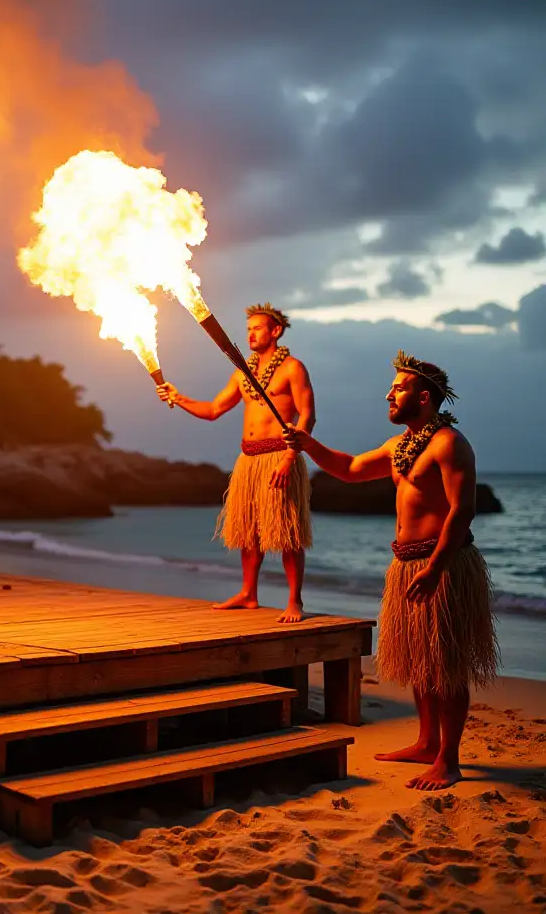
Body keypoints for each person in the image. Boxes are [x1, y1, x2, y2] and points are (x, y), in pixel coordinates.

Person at [284, 351, 498, 791]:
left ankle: (448, 759)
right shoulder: (399, 447)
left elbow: (463, 511)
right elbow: (350, 469)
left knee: (445, 663)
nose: (388, 394)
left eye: (397, 389)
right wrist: (309, 445)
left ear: (423, 397)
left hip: (446, 565)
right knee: (421, 660)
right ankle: (425, 741)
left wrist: (437, 567)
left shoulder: (449, 444)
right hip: (405, 562)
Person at [156, 303, 315, 622]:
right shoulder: (244, 372)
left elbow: (307, 416)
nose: (251, 334)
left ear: (275, 331)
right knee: (247, 530)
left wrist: (289, 457)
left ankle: (294, 601)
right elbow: (214, 409)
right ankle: (248, 593)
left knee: (287, 533)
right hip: (248, 459)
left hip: (278, 457)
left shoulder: (292, 369)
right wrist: (178, 397)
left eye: (257, 328)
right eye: (248, 329)